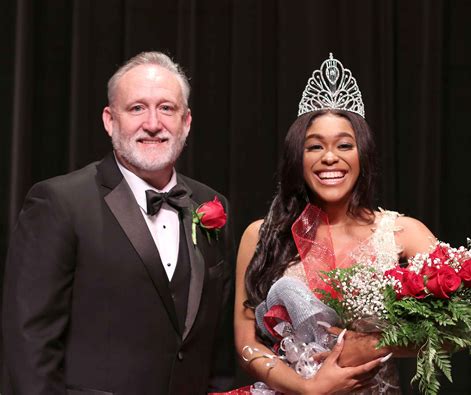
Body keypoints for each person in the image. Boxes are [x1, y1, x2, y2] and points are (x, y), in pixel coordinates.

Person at [3, 51, 235, 394]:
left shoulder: (211, 205)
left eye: (167, 108)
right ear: (110, 120)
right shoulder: (60, 202)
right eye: (137, 108)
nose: (153, 123)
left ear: (186, 122)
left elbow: (217, 345)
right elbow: (30, 340)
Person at [234, 53, 436, 394]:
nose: (330, 157)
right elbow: (245, 342)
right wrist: (305, 387)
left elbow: (457, 329)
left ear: (364, 155)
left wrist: (375, 344)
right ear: (298, 157)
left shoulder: (403, 233)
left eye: (345, 145)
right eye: (315, 147)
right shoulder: (262, 235)